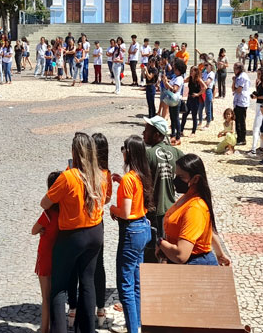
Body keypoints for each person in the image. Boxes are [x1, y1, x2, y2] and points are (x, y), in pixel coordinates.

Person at [42, 133, 103, 333]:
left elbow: (45, 202)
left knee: (59, 286)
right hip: (95, 232)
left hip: (72, 235)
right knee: (87, 283)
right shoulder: (99, 175)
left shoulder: (68, 176)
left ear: (74, 152)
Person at [109, 136, 153, 333]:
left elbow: (125, 212)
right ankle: (137, 325)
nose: (123, 152)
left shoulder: (129, 179)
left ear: (130, 152)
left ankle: (133, 330)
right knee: (136, 281)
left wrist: (112, 209)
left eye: (123, 149)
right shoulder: (141, 175)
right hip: (143, 228)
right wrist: (121, 181)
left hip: (131, 231)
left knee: (125, 285)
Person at [156, 154, 230, 266]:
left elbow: (181, 255)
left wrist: (159, 242)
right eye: (175, 176)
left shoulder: (195, 208)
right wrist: (220, 254)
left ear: (195, 179)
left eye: (180, 177)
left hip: (194, 266)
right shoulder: (187, 198)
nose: (175, 181)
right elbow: (207, 229)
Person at [142, 116, 184, 264]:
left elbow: (141, 183)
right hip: (172, 208)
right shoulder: (177, 153)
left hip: (153, 210)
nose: (143, 133)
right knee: (168, 249)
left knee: (151, 250)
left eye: (146, 130)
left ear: (157, 135)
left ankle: (150, 283)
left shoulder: (148, 154)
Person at [33, 171, 62, 333]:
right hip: (59, 256)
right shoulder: (65, 213)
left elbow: (33, 230)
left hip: (45, 256)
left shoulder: (48, 214)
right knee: (56, 294)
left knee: (45, 296)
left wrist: (42, 229)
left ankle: (44, 328)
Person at [163, 58, 187, 146]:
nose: (174, 70)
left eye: (175, 69)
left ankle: (178, 137)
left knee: (176, 118)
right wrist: (165, 81)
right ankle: (173, 134)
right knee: (172, 118)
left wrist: (167, 83)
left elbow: (174, 89)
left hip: (175, 99)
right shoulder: (175, 77)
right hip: (172, 99)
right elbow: (169, 86)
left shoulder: (179, 79)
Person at [180, 66, 205, 136]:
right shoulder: (190, 78)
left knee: (194, 115)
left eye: (192, 71)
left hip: (195, 99)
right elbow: (183, 81)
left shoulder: (198, 79)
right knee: (185, 114)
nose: (191, 72)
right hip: (189, 98)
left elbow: (205, 87)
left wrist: (198, 94)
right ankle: (181, 130)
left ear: (196, 72)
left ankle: (193, 132)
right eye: (190, 71)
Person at [232, 63, 251, 146]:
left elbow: (239, 89)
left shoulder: (243, 77)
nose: (234, 70)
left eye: (235, 68)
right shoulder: (237, 77)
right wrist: (233, 82)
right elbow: (233, 88)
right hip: (237, 100)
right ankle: (238, 137)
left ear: (239, 69)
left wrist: (235, 88)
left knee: (241, 120)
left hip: (242, 101)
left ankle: (242, 139)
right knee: (237, 119)